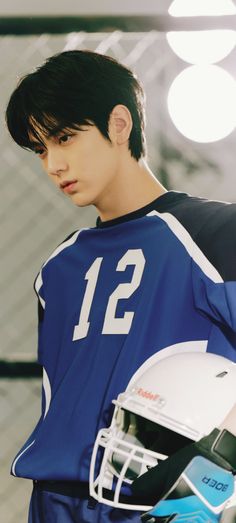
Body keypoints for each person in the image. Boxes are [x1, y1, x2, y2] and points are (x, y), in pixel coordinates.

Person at [5, 49, 236, 523]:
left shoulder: (214, 234)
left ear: (119, 124)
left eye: (65, 138)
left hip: (154, 499)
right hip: (55, 498)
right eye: (41, 148)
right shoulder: (59, 268)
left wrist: (212, 476)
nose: (53, 164)